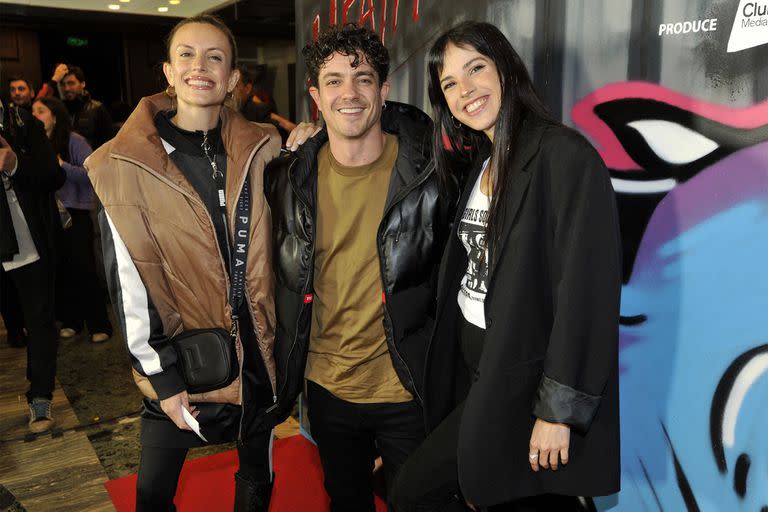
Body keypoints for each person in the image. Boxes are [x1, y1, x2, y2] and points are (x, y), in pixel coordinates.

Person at [389, 21, 622, 511]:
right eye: (449, 84)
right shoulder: (483, 160)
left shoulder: (564, 156)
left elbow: (587, 292)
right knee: (505, 496)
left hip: (521, 376)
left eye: (475, 69)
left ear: (506, 68)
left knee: (415, 491)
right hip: (473, 366)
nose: (464, 90)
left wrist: (558, 411)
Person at [84, 14, 281, 511]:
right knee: (152, 494)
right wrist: (162, 380)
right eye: (187, 55)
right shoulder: (120, 164)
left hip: (258, 358)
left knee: (256, 480)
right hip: (180, 362)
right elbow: (128, 282)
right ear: (168, 72)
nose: (201, 66)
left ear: (234, 78)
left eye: (216, 57)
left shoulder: (265, 149)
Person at [265, 23, 455, 512]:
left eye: (363, 78)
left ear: (383, 90)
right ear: (315, 95)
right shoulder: (290, 179)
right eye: (333, 80)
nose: (349, 93)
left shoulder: (430, 175)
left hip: (407, 387)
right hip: (328, 389)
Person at [1, 98, 66, 433]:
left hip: (28, 240)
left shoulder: (23, 122)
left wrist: (14, 163)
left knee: (39, 320)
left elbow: (53, 175)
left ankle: (41, 398)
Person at [31, 97, 113, 343]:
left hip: (75, 212)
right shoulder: (33, 144)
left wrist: (61, 165)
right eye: (32, 111)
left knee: (84, 268)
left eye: (40, 111)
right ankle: (71, 321)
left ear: (54, 116)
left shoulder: (74, 141)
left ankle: (100, 324)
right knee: (61, 270)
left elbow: (92, 173)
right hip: (46, 215)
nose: (34, 115)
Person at [234, 66, 296, 143]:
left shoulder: (257, 107)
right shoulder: (236, 108)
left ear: (247, 88)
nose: (231, 89)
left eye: (235, 85)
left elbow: (283, 123)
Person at [60, 66, 114, 149]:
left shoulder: (97, 108)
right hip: (66, 160)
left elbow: (109, 141)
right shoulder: (59, 110)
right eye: (63, 84)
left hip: (92, 159)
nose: (66, 88)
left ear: (83, 84)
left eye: (71, 83)